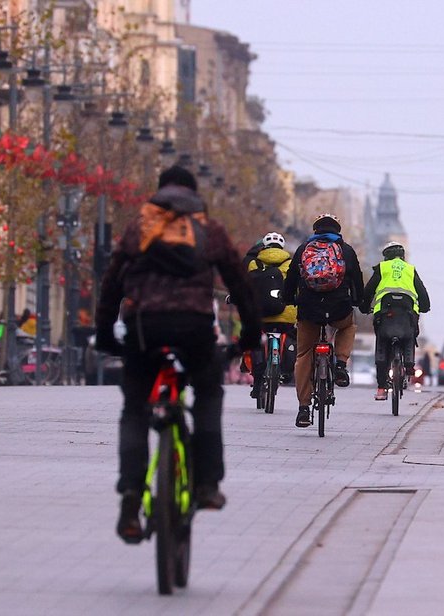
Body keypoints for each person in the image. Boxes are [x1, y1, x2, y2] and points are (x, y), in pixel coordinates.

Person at [95, 165, 262, 545]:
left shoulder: (139, 227)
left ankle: (131, 496)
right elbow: (241, 285)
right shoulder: (209, 229)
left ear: (159, 193)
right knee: (207, 395)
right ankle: (206, 484)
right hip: (194, 329)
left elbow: (111, 285)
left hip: (143, 328)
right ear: (193, 194)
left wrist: (105, 335)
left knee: (135, 408)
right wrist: (249, 336)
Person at [282, 213, 365, 427]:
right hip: (339, 307)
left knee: (303, 354)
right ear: (337, 230)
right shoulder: (346, 250)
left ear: (315, 230)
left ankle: (303, 408)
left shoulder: (302, 250)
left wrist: (287, 298)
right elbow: (357, 279)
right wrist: (359, 301)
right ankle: (340, 365)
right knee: (348, 326)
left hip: (309, 309)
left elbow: (291, 279)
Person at [360, 241, 431, 400]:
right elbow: (422, 293)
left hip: (385, 314)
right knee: (410, 334)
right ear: (403, 256)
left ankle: (381, 389)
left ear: (385, 256)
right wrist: (425, 307)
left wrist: (364, 307)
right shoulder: (410, 270)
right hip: (406, 313)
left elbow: (368, 291)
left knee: (382, 345)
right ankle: (409, 365)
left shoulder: (382, 268)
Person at [246, 231, 298, 399]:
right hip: (286, 315)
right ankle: (286, 371)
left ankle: (257, 379)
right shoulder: (291, 264)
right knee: (293, 335)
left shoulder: (254, 264)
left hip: (260, 315)